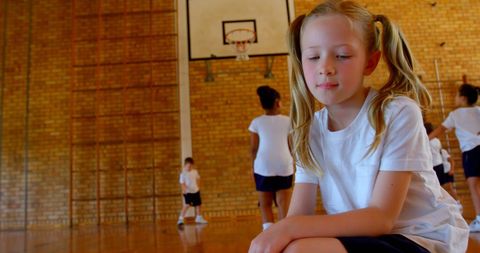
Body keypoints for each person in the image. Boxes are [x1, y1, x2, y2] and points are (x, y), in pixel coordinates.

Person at [248, 1, 468, 253]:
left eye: (342, 55)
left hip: (419, 238)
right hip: (367, 238)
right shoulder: (312, 130)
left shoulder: (397, 112)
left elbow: (381, 218)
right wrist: (282, 233)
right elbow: (298, 213)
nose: (325, 68)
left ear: (370, 62)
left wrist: (286, 229)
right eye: (313, 56)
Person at [429, 83, 480, 232]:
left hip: (471, 152)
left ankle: (479, 219)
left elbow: (439, 131)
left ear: (463, 98)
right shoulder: (478, 110)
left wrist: (423, 140)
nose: (455, 98)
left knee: (473, 185)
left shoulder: (455, 114)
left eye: (457, 95)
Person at [249, 85, 294, 231]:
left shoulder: (256, 122)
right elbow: (291, 146)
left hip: (263, 166)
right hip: (284, 164)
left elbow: (254, 149)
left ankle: (268, 234)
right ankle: (283, 234)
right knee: (283, 203)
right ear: (277, 102)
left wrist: (252, 167)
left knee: (265, 203)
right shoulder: (288, 121)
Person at [424, 122, 461, 203]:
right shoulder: (436, 140)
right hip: (438, 165)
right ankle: (452, 202)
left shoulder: (428, 141)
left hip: (435, 165)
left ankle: (454, 202)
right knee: (441, 187)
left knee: (440, 187)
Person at [177, 157, 208, 225]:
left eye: (191, 166)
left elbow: (198, 178)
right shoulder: (183, 174)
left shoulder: (195, 172)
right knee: (187, 205)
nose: (189, 168)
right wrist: (185, 191)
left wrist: (198, 186)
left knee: (198, 204)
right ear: (185, 165)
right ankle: (180, 219)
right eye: (188, 166)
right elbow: (182, 183)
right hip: (188, 192)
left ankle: (199, 218)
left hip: (196, 191)